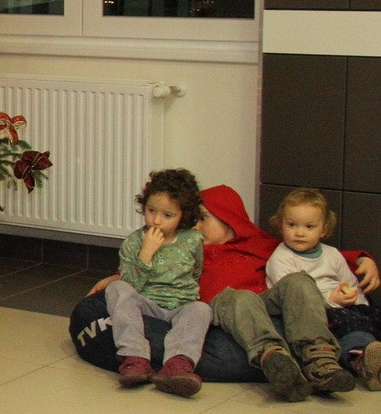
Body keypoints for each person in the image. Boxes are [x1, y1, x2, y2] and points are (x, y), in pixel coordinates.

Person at [84, 184, 378, 400]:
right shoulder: (188, 248)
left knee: (299, 281)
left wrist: (361, 259)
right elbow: (158, 272)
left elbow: (315, 252)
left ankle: (320, 360)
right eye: (192, 219)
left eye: (203, 218)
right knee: (238, 296)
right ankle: (274, 360)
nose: (195, 226)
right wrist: (117, 277)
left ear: (229, 219)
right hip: (227, 311)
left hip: (267, 310)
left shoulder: (259, 244)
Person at [103, 169, 209, 396]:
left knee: (201, 309)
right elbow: (129, 284)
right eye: (151, 210)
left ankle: (177, 365)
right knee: (116, 288)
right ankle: (135, 358)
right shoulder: (134, 242)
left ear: (183, 215)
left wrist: (187, 297)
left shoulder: (192, 240)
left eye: (167, 215)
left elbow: (196, 272)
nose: (157, 220)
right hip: (146, 302)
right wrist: (146, 253)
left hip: (181, 305)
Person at [265, 188, 381, 389]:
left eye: (309, 226)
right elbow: (293, 299)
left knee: (367, 320)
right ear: (280, 225)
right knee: (348, 334)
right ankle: (359, 360)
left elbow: (350, 283)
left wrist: (358, 303)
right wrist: (331, 301)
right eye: (292, 225)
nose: (299, 232)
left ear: (324, 230)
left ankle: (369, 356)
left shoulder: (332, 254)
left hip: (345, 309)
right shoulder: (280, 259)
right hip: (312, 318)